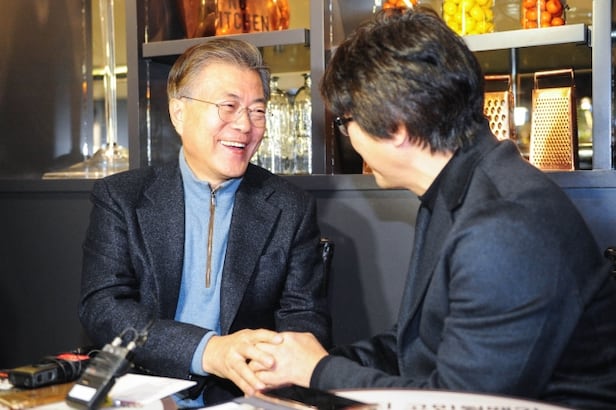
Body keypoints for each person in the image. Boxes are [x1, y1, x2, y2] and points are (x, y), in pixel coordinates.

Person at [251, 7, 616, 409]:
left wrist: (318, 371)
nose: (348, 136)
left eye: (346, 121)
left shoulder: (503, 226)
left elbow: (461, 402)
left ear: (397, 127)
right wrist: (298, 369)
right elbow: (414, 347)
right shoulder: (458, 188)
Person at [78, 38, 331, 407]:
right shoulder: (122, 197)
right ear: (179, 112)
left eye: (257, 111)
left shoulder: (290, 207)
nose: (244, 125)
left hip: (240, 398)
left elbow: (304, 322)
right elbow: (103, 307)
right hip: (142, 391)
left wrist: (271, 377)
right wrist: (208, 350)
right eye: (228, 106)